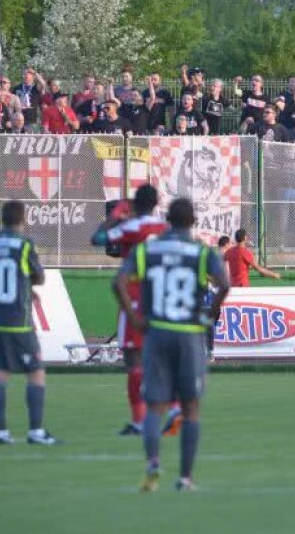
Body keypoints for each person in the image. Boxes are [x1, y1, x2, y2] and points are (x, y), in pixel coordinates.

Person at [115, 197, 229, 492]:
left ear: (167, 219)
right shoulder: (200, 252)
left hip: (156, 333)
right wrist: (211, 312)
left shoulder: (148, 250)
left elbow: (119, 282)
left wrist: (134, 317)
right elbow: (225, 283)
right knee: (190, 408)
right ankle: (185, 477)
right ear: (192, 222)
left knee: (154, 406)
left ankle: (153, 464)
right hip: (189, 334)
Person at [92, 185, 172, 438]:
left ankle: (139, 421)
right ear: (157, 203)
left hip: (135, 299)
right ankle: (173, 410)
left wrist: (114, 216)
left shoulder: (130, 228)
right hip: (164, 300)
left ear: (135, 205)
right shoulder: (167, 230)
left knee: (134, 359)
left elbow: (98, 240)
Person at [0, 200, 59, 446]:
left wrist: (22, 286)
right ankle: (36, 431)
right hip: (19, 320)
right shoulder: (24, 245)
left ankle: (1, 433)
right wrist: (28, 286)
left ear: (2, 219)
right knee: (36, 371)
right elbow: (39, 275)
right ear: (23, 219)